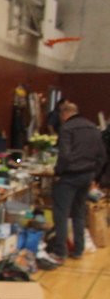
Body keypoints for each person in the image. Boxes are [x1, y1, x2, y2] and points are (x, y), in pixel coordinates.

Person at [48, 101, 107, 262]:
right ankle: (78, 249)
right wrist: (95, 175)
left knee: (61, 213)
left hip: (69, 177)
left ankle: (60, 251)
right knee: (79, 213)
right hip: (87, 176)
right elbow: (102, 156)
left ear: (64, 114)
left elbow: (65, 156)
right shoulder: (93, 127)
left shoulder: (67, 128)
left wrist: (58, 172)